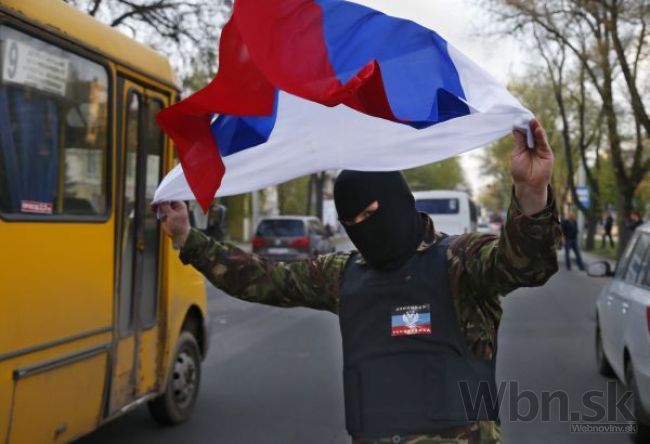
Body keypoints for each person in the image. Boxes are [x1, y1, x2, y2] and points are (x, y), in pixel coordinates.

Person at [156, 119, 561, 444]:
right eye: (352, 223)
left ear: (400, 201)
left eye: (371, 214)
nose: (363, 229)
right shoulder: (343, 274)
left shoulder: (460, 262)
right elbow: (262, 278)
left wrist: (531, 192)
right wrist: (187, 238)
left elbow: (525, 266)